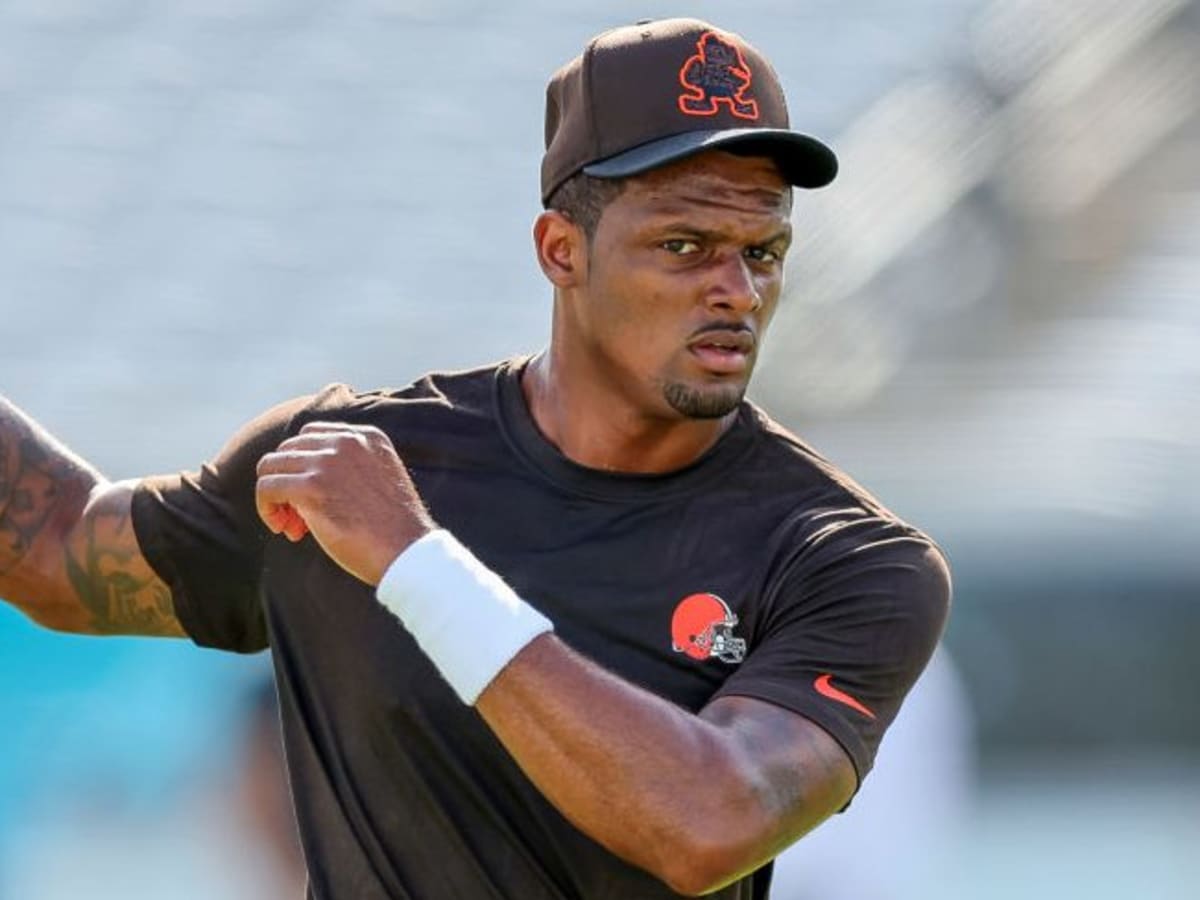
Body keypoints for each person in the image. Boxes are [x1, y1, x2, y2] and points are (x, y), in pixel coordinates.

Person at [0, 17, 950, 900]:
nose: (736, 290)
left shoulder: (849, 559)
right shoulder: (348, 461)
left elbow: (707, 822)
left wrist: (415, 564)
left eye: (764, 249)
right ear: (560, 250)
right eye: (685, 244)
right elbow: (57, 550)